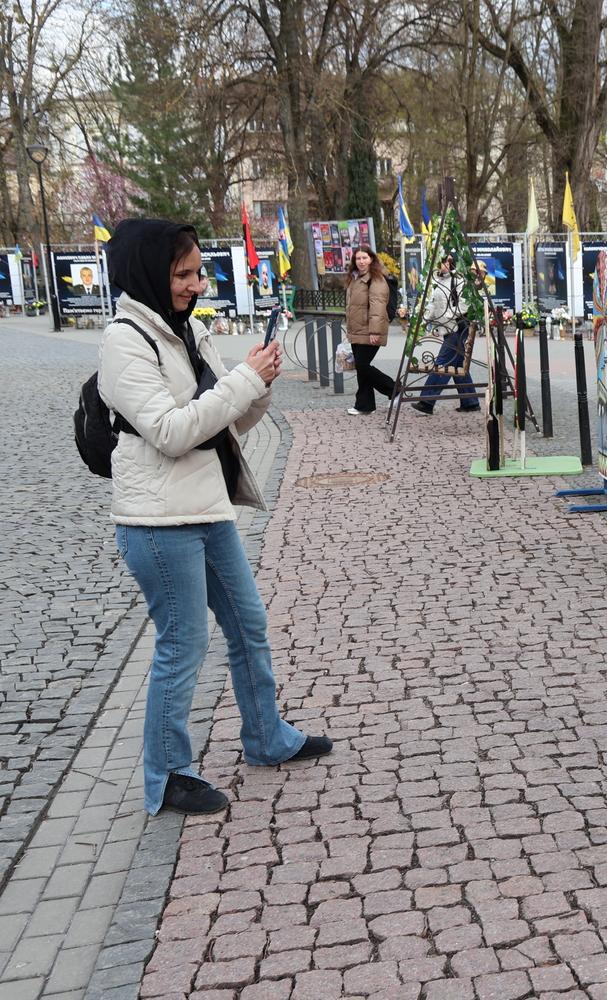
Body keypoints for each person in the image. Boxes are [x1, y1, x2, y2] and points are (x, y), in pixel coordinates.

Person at [96, 218, 331, 816]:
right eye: (182, 274)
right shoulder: (125, 340)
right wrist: (241, 382)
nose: (197, 284)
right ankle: (167, 774)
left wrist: (257, 388)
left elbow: (219, 425)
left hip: (206, 506)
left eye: (198, 272)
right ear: (148, 273)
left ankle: (266, 737)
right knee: (183, 643)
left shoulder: (187, 332)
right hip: (157, 522)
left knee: (249, 623)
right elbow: (173, 433)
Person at [414, 255, 482, 414]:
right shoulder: (437, 282)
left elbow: (464, 304)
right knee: (456, 365)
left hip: (458, 327)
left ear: (451, 263)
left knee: (443, 363)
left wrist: (448, 318)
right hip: (447, 329)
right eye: (439, 262)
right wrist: (423, 320)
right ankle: (470, 402)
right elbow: (432, 305)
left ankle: (426, 402)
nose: (441, 265)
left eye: (444, 262)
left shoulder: (459, 280)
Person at [344, 246, 395, 416]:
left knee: (363, 365)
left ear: (371, 259)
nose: (361, 261)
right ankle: (364, 405)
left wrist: (375, 331)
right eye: (358, 258)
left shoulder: (376, 279)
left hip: (370, 330)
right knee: (361, 367)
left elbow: (378, 307)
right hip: (357, 330)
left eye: (364, 258)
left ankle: (394, 389)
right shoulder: (355, 278)